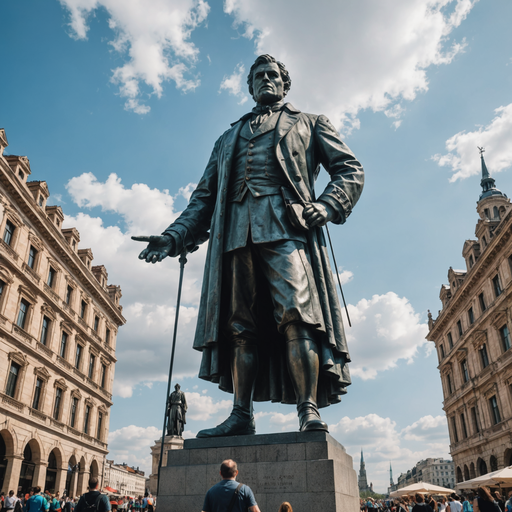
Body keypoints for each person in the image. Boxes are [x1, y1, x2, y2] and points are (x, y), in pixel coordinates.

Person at [133, 53, 364, 437]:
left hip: (286, 228)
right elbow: (203, 199)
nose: (266, 79)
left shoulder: (310, 123)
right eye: (258, 75)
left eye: (273, 74)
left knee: (298, 315)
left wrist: (327, 204)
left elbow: (350, 169)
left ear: (285, 84)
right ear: (250, 85)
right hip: (235, 235)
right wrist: (173, 237)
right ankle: (241, 413)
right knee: (240, 327)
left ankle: (308, 409)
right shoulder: (227, 138)